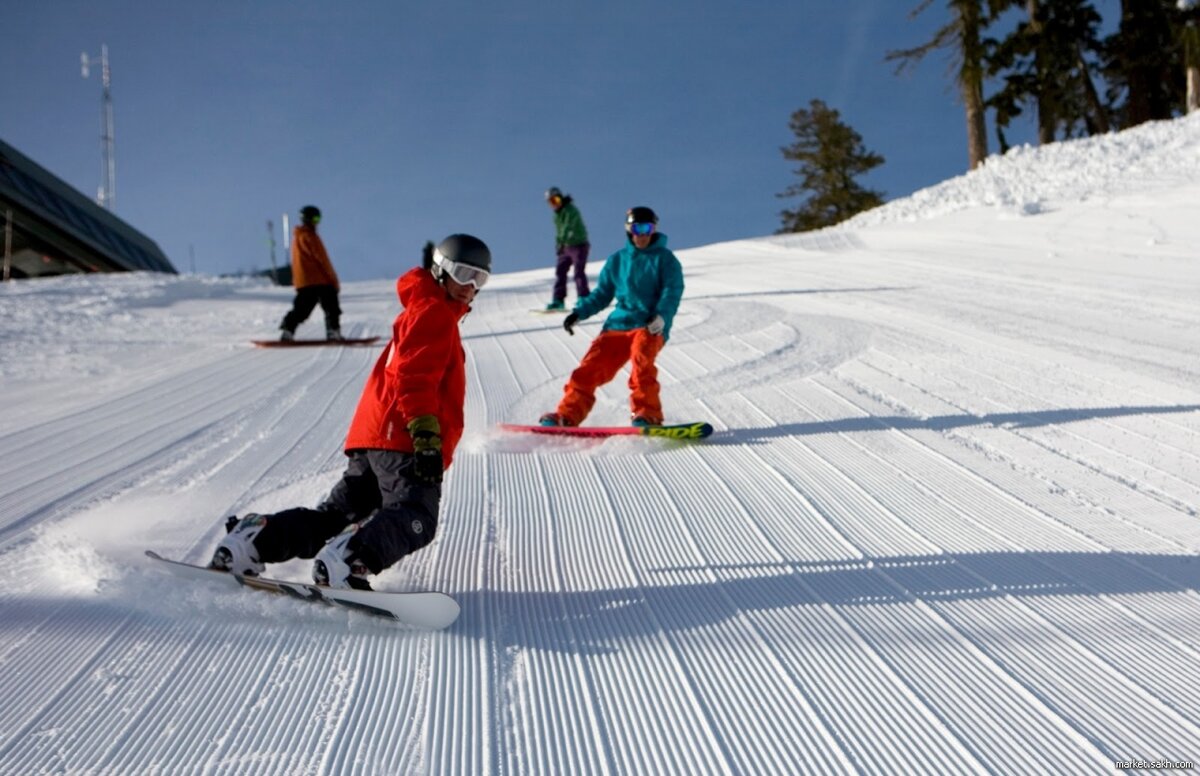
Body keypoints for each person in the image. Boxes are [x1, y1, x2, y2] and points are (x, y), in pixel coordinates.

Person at [211, 234, 492, 590]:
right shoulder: (434, 313)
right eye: (464, 274)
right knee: (416, 515)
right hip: (403, 438)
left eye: (480, 279)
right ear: (440, 271)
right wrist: (425, 437)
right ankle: (349, 559)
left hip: (374, 437)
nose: (470, 287)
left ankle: (252, 541)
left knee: (335, 518)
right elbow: (413, 376)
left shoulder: (420, 309)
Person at [539, 206, 684, 428]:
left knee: (641, 364)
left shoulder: (666, 260)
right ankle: (567, 416)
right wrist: (579, 312)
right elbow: (602, 294)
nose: (642, 234)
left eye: (648, 228)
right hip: (617, 325)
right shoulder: (618, 260)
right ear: (629, 229)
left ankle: (648, 414)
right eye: (638, 228)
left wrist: (661, 318)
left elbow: (671, 293)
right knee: (588, 369)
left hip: (649, 325)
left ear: (654, 230)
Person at [280, 205, 342, 341]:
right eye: (315, 218)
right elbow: (322, 259)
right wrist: (333, 279)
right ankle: (333, 331)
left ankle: (287, 331)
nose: (316, 222)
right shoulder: (310, 236)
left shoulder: (297, 237)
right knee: (331, 305)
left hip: (304, 281)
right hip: (319, 280)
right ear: (307, 219)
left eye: (318, 218)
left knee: (302, 309)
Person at [543, 186, 590, 311]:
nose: (555, 204)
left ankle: (584, 297)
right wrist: (559, 246)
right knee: (560, 272)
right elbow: (558, 232)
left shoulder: (570, 210)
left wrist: (563, 240)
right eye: (551, 202)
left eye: (556, 200)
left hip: (578, 244)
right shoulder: (556, 216)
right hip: (566, 247)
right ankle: (558, 300)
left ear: (561, 198)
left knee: (578, 271)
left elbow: (568, 227)